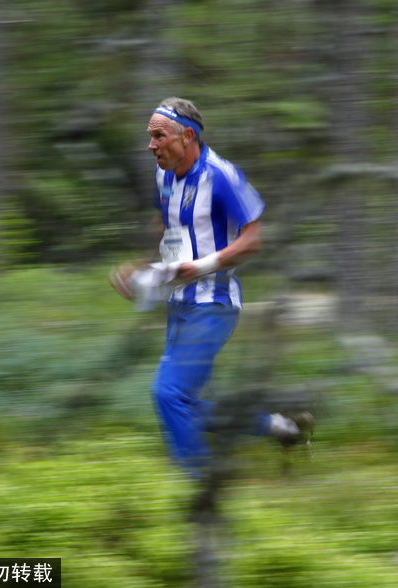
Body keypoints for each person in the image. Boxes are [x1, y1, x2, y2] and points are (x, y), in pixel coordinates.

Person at [116, 97, 310, 473]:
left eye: (159, 136)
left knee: (167, 393)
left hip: (214, 305)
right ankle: (282, 425)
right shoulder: (164, 176)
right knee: (182, 399)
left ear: (187, 136)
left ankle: (197, 483)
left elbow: (253, 239)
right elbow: (170, 227)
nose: (151, 145)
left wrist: (201, 266)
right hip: (178, 304)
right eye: (149, 136)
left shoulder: (221, 175)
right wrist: (140, 269)